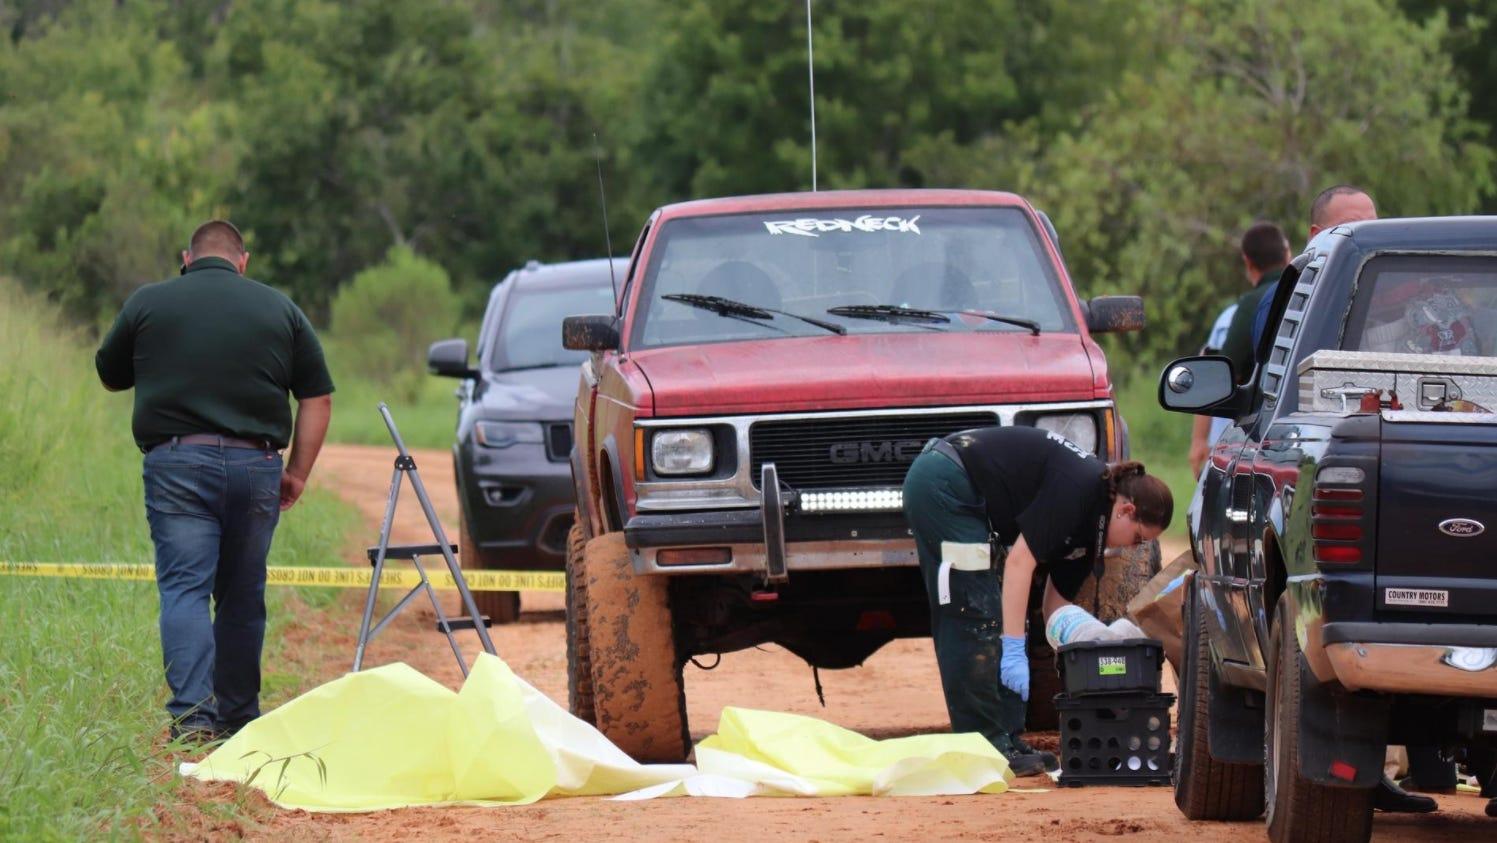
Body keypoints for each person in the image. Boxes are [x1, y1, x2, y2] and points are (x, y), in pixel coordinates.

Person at [95, 220, 334, 744]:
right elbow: (317, 397)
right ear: (242, 261)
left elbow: (109, 373)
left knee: (185, 588)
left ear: (187, 257)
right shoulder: (280, 309)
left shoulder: (149, 302)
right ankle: (240, 718)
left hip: (178, 465)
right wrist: (296, 472)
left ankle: (192, 719)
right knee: (243, 593)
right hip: (256, 467)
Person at [901, 425, 1173, 775]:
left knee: (1013, 621)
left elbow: (1054, 609)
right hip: (944, 482)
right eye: (1137, 538)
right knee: (974, 612)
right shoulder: (1079, 488)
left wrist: (1088, 641)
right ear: (1125, 510)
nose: (1133, 548)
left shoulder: (1092, 532)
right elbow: (1019, 563)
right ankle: (983, 744)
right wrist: (1012, 649)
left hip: (970, 497)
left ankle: (1009, 739)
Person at [1248, 185, 1377, 351]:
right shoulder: (1287, 298)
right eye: (1351, 229)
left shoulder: (1393, 288)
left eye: (1373, 228)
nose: (1367, 240)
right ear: (1317, 235)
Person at [1218, 222, 1293, 384]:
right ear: (1287, 256)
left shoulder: (1252, 304)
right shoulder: (1311, 289)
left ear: (1247, 261)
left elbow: (1227, 373)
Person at [1188, 301, 1237, 476]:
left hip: (1225, 446)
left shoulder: (1230, 318)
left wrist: (1199, 440)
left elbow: (1206, 374)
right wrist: (1199, 439)